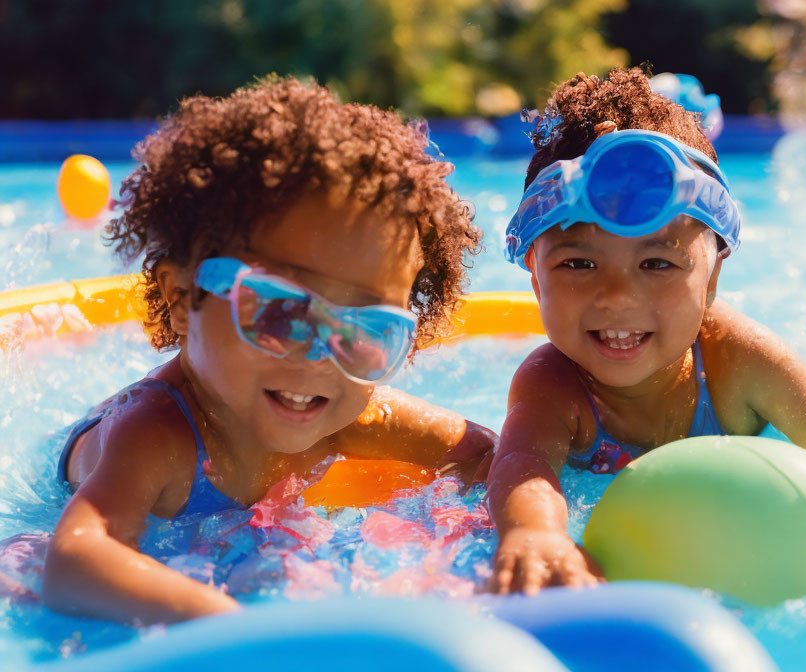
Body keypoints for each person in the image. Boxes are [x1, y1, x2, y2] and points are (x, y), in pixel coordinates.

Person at [43, 77, 496, 624]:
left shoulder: (349, 412)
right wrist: (239, 629)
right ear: (183, 298)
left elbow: (487, 454)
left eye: (364, 330)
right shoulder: (154, 436)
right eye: (280, 311)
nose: (317, 358)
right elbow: (72, 561)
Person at [487, 67, 806, 595]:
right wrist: (535, 534)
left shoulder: (738, 359)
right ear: (534, 275)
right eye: (578, 264)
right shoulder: (553, 384)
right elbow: (522, 465)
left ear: (712, 278)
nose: (618, 298)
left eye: (658, 264)